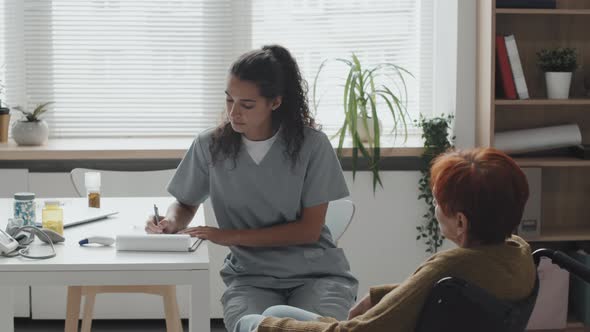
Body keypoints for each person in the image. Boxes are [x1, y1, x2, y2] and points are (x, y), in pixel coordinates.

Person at [145, 44, 358, 332]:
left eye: (246, 105)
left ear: (275, 103)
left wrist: (227, 236)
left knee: (311, 329)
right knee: (253, 326)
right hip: (250, 277)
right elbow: (185, 202)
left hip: (316, 274)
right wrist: (171, 221)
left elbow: (308, 230)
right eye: (229, 100)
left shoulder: (312, 146)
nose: (234, 112)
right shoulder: (209, 145)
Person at [234, 147, 537, 332]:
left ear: (460, 221)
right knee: (274, 312)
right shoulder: (517, 255)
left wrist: (268, 329)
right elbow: (425, 294)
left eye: (437, 202)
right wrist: (379, 296)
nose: (434, 209)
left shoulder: (449, 268)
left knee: (251, 323)